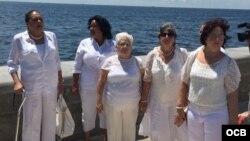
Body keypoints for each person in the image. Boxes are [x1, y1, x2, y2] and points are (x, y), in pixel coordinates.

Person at [175, 18, 241, 141]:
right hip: (193, 112)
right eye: (213, 35)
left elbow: (232, 95)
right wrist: (179, 108)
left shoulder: (228, 63)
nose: (217, 39)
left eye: (220, 35)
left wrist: (233, 125)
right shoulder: (193, 56)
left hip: (216, 115)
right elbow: (184, 82)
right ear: (205, 37)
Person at [7, 10, 64, 141]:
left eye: (41, 19)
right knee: (31, 123)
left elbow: (57, 61)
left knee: (50, 122)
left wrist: (60, 82)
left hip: (51, 87)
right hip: (32, 88)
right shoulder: (19, 39)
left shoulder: (52, 36)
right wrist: (17, 82)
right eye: (35, 19)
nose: (39, 22)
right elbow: (12, 63)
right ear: (27, 23)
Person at [139, 22, 189, 141]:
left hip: (176, 105)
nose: (167, 37)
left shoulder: (182, 54)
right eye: (163, 34)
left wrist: (185, 102)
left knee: (179, 135)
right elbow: (147, 79)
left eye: (170, 34)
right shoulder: (152, 55)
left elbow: (188, 79)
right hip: (157, 104)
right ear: (159, 37)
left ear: (175, 38)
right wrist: (144, 100)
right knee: (157, 135)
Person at [72, 15, 116, 141]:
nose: (91, 28)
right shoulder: (84, 43)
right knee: (88, 114)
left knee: (106, 115)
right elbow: (76, 66)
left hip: (108, 87)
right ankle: (87, 138)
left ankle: (106, 138)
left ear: (103, 27)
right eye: (90, 26)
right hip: (88, 87)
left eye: (95, 26)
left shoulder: (113, 45)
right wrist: (75, 85)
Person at [96, 32, 145, 141]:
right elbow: (101, 82)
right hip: (113, 103)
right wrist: (98, 101)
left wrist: (144, 99)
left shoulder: (138, 62)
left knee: (130, 131)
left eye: (128, 44)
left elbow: (143, 81)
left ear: (131, 47)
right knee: (113, 132)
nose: (124, 47)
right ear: (116, 47)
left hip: (132, 104)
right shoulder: (109, 61)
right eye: (122, 44)